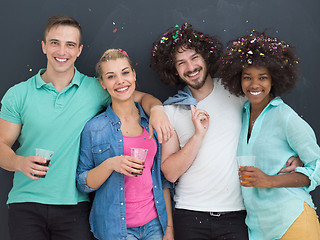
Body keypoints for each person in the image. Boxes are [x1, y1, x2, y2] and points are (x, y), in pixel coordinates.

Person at [0, 15, 172, 240]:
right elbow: (2, 146)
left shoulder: (95, 88)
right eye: (55, 43)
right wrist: (19, 162)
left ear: (79, 50)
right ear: (43, 46)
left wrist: (157, 110)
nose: (62, 51)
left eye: (70, 44)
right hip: (27, 203)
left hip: (75, 206)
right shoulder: (18, 94)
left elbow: (139, 97)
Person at [150, 23, 303, 240]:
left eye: (194, 58)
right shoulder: (171, 110)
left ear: (205, 57)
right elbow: (170, 172)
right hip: (190, 213)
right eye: (181, 63)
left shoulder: (237, 92)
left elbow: (274, 120)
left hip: (237, 214)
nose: (190, 67)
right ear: (174, 70)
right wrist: (198, 135)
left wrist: (293, 154)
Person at [216, 30, 320, 240]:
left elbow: (317, 167)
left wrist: (270, 180)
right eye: (248, 78)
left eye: (262, 78)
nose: (255, 85)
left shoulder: (286, 117)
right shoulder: (242, 115)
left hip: (292, 221)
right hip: (258, 229)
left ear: (274, 80)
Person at [76, 49, 174, 240]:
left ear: (134, 75)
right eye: (111, 76)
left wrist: (169, 227)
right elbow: (83, 183)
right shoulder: (94, 128)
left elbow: (161, 180)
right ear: (102, 83)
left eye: (125, 72)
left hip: (155, 224)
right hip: (115, 229)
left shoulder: (151, 122)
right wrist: (111, 164)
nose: (120, 81)